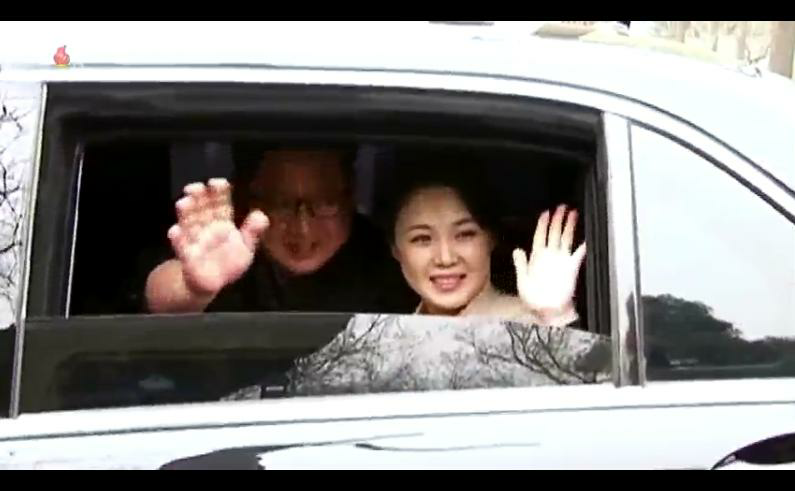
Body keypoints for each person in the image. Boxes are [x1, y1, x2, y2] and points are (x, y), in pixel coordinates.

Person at [144, 145, 416, 314]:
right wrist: (194, 289)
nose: (303, 229)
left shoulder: (385, 258)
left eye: (325, 203)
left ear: (351, 196)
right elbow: (163, 294)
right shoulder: (219, 243)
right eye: (281, 204)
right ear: (247, 198)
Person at [386, 165, 585, 327]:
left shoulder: (529, 326)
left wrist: (556, 317)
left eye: (465, 234)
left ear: (491, 238)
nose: (445, 258)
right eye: (422, 239)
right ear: (395, 249)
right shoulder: (386, 338)